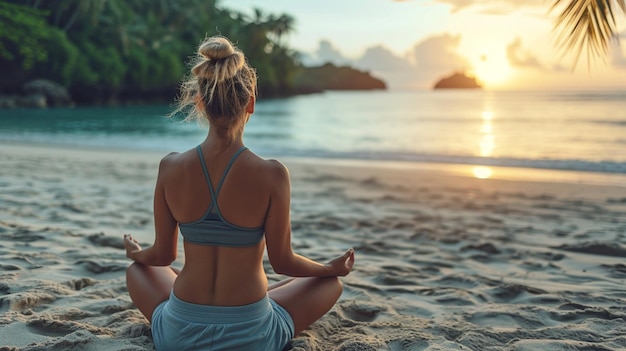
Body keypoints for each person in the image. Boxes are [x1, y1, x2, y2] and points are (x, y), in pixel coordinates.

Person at [123, 35, 355, 351]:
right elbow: (283, 262)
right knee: (329, 284)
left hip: (179, 334)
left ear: (199, 102)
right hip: (251, 335)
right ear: (251, 103)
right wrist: (330, 268)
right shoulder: (273, 174)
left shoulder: (170, 167)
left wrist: (137, 253)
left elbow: (163, 256)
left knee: (139, 269)